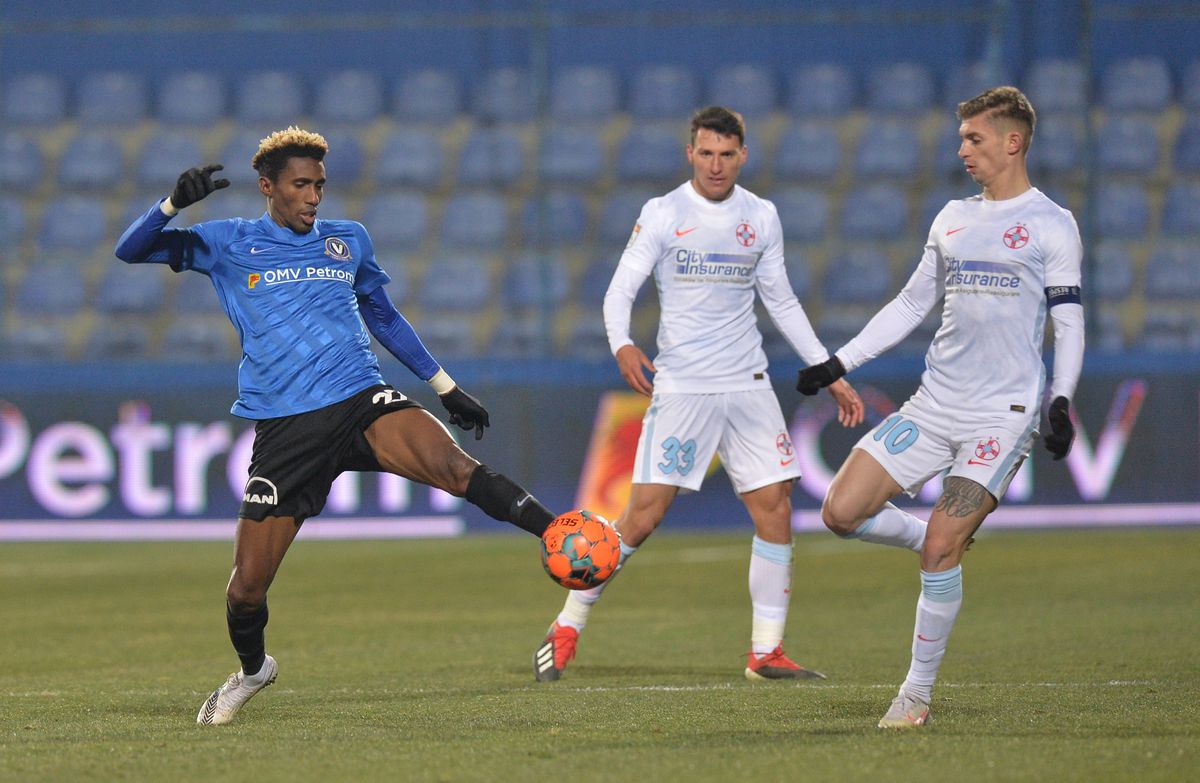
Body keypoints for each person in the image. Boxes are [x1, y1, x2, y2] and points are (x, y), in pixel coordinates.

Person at [114, 127, 557, 725]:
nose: (314, 197)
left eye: (320, 185)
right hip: (284, 426)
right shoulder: (227, 242)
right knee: (246, 590)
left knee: (455, 467)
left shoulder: (348, 242)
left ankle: (559, 533)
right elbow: (130, 250)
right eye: (301, 185)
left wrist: (446, 386)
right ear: (268, 187)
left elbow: (382, 313)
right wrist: (171, 205)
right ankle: (251, 671)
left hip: (360, 398)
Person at [531, 106, 865, 683]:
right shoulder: (663, 213)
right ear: (691, 153)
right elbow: (620, 290)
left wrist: (829, 368)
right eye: (706, 153)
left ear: (743, 155)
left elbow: (781, 301)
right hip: (683, 387)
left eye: (726, 154)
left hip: (748, 384)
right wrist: (622, 345)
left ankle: (766, 652)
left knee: (775, 510)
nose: (716, 164)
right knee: (642, 517)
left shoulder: (761, 216)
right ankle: (566, 627)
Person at [796, 86, 1083, 728]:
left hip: (1001, 413)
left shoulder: (1052, 224)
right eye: (961, 139)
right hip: (934, 403)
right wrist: (841, 362)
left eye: (974, 139)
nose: (962, 151)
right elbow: (907, 305)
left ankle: (915, 696)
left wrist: (1059, 398)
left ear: (1012, 141)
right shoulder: (951, 217)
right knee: (840, 512)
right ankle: (936, 540)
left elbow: (1069, 323)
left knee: (942, 549)